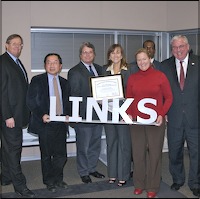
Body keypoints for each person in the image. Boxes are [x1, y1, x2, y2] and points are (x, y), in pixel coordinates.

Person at [126, 48, 173, 198]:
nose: (142, 62)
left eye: (144, 59)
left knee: (154, 154)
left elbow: (169, 97)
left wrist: (162, 113)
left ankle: (153, 186)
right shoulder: (132, 78)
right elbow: (129, 100)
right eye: (139, 60)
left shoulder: (160, 76)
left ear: (150, 59)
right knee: (138, 154)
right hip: (137, 122)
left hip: (155, 121)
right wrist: (127, 115)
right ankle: (139, 184)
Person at [161, 35, 200, 197]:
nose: (178, 50)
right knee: (175, 152)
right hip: (173, 117)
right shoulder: (165, 66)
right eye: (175, 47)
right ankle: (178, 179)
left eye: (181, 46)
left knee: (196, 153)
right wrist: (163, 111)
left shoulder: (198, 63)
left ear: (188, 46)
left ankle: (195, 183)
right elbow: (160, 92)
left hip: (195, 118)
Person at [26, 53, 71, 192]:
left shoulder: (64, 82)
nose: (52, 65)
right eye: (49, 62)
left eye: (55, 62)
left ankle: (58, 178)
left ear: (60, 66)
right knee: (46, 155)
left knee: (61, 155)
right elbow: (31, 101)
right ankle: (49, 181)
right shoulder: (37, 80)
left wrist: (69, 114)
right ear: (45, 65)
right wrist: (41, 115)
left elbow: (68, 101)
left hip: (61, 123)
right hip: (45, 123)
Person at [0, 34, 35, 197]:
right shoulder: (3, 62)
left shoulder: (15, 61)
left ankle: (6, 177)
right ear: (6, 45)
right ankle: (20, 186)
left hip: (16, 114)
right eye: (14, 44)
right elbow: (2, 92)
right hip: (10, 116)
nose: (17, 47)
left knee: (7, 147)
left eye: (20, 45)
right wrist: (8, 116)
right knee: (14, 149)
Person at [67, 42, 105, 184]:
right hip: (83, 115)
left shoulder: (100, 69)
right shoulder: (74, 71)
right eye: (84, 52)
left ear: (94, 54)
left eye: (90, 52)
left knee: (95, 144)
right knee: (83, 146)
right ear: (80, 55)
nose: (88, 54)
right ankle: (83, 172)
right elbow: (74, 95)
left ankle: (92, 168)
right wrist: (75, 115)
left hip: (98, 115)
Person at [102, 44, 132, 186]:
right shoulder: (104, 70)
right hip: (108, 111)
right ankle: (112, 174)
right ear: (109, 56)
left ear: (122, 55)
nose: (115, 55)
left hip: (124, 111)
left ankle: (123, 175)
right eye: (112, 53)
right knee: (111, 143)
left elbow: (132, 91)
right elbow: (98, 89)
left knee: (124, 144)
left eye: (118, 53)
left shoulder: (129, 70)